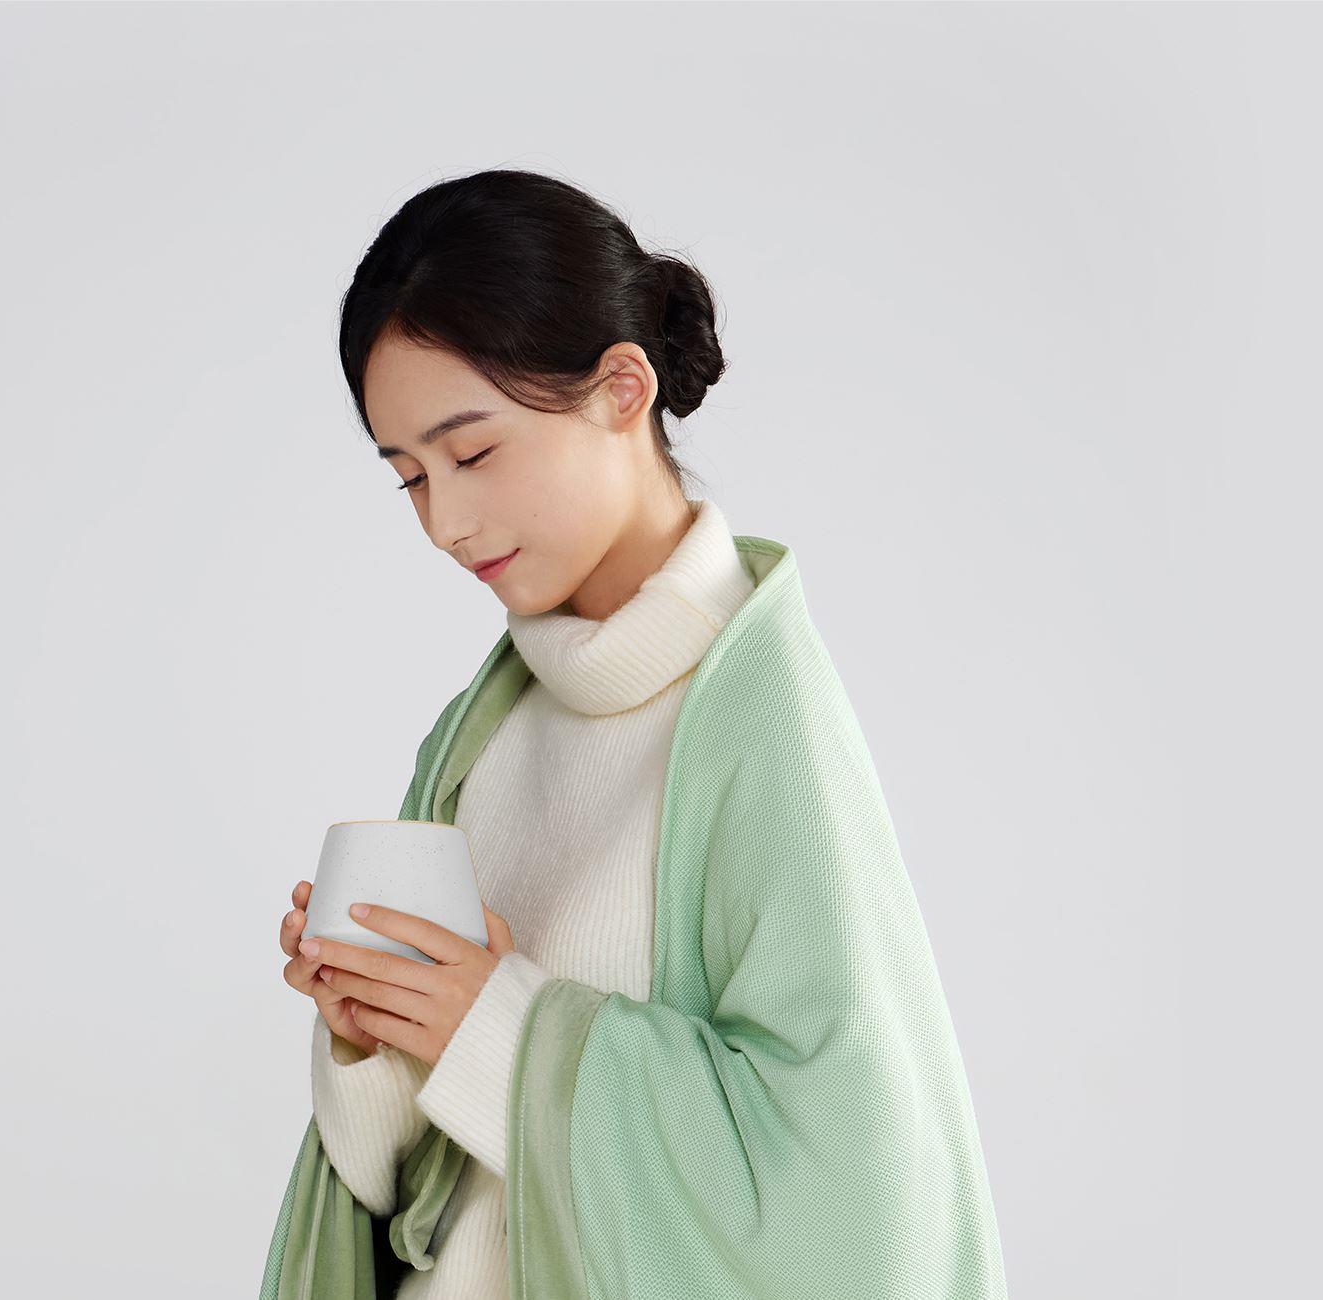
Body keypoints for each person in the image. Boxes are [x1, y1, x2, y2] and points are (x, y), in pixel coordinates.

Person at [273, 168, 1008, 1299]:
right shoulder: (477, 736)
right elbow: (393, 1196)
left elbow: (854, 1196)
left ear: (623, 388)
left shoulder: (763, 729)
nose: (446, 523)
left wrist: (500, 1027)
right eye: (409, 477)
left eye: (473, 454)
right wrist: (372, 1032)